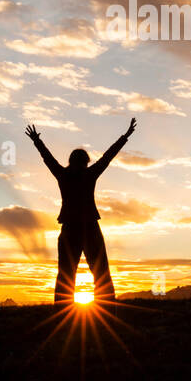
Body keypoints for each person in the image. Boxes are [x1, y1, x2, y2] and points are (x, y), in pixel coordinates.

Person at [25, 118, 136, 306]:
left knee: (66, 273)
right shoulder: (88, 174)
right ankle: (106, 307)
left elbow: (48, 158)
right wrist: (125, 137)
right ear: (85, 162)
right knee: (100, 271)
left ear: (71, 161)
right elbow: (107, 157)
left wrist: (37, 141)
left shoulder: (64, 175)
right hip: (89, 227)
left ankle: (62, 310)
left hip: (70, 228)